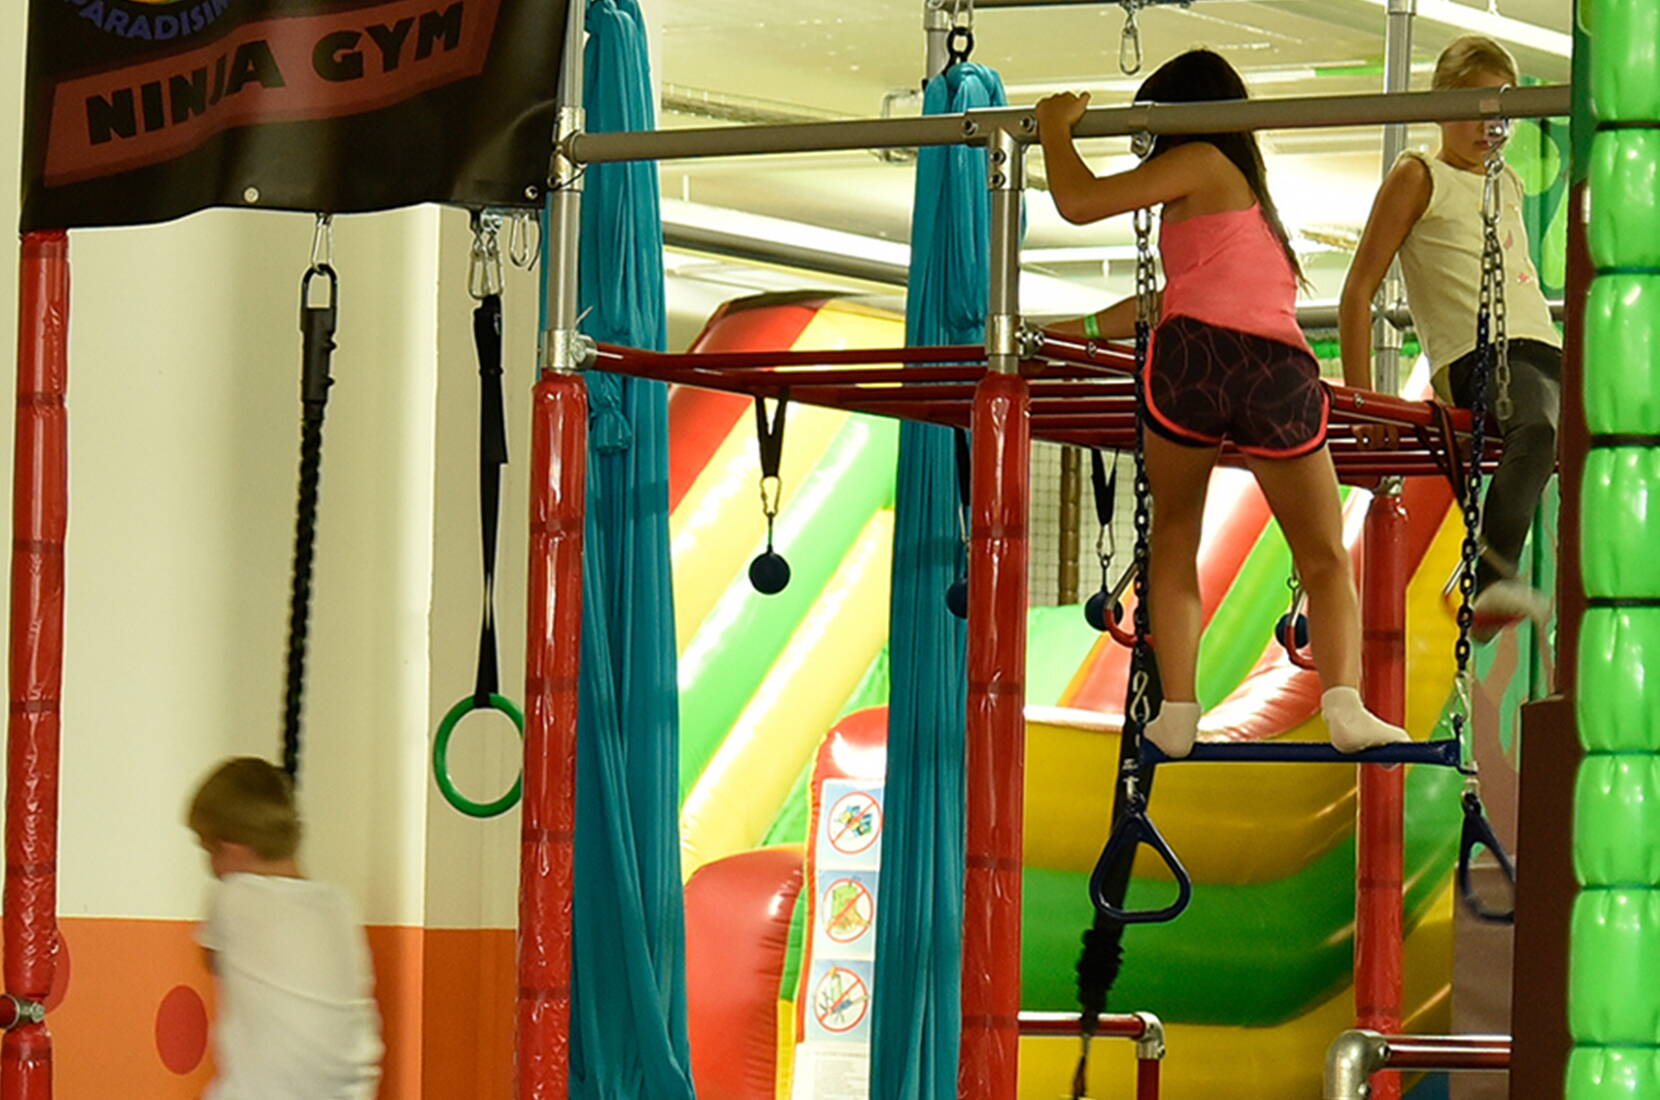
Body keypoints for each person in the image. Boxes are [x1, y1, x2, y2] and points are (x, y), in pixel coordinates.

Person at [1037, 48, 1410, 759]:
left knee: (1175, 536)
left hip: (1194, 364)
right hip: (1274, 371)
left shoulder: (1201, 158)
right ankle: (1345, 705)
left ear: (1184, 115)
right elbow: (1177, 294)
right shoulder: (1252, 205)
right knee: (1325, 556)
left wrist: (1056, 129)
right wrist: (1080, 328)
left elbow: (1079, 203)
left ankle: (1178, 710)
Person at [1340, 34, 1559, 640]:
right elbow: (1358, 290)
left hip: (1541, 348)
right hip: (1479, 354)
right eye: (1474, 109)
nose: (1489, 126)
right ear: (1440, 107)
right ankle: (1488, 578)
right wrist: (1365, 401)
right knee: (1537, 427)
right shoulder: (1419, 174)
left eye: (1501, 112)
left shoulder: (1506, 182)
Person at [186, 757, 383, 1099]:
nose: (212, 868)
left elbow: (211, 959)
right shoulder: (339, 905)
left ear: (232, 848)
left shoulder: (232, 897)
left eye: (208, 850)